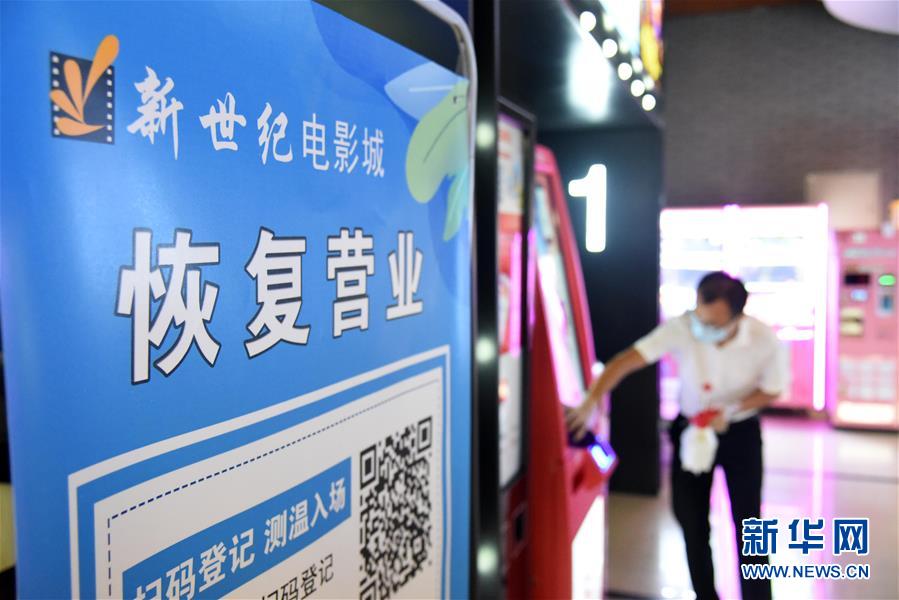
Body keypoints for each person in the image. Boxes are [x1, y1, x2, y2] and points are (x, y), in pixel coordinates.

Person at [567, 271, 782, 600]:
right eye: (700, 316)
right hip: (690, 429)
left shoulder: (762, 339)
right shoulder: (682, 328)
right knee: (691, 521)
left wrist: (731, 410)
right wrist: (590, 401)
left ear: (737, 317)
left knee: (749, 522)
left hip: (738, 431)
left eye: (713, 323)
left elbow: (773, 389)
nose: (703, 327)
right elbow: (624, 362)